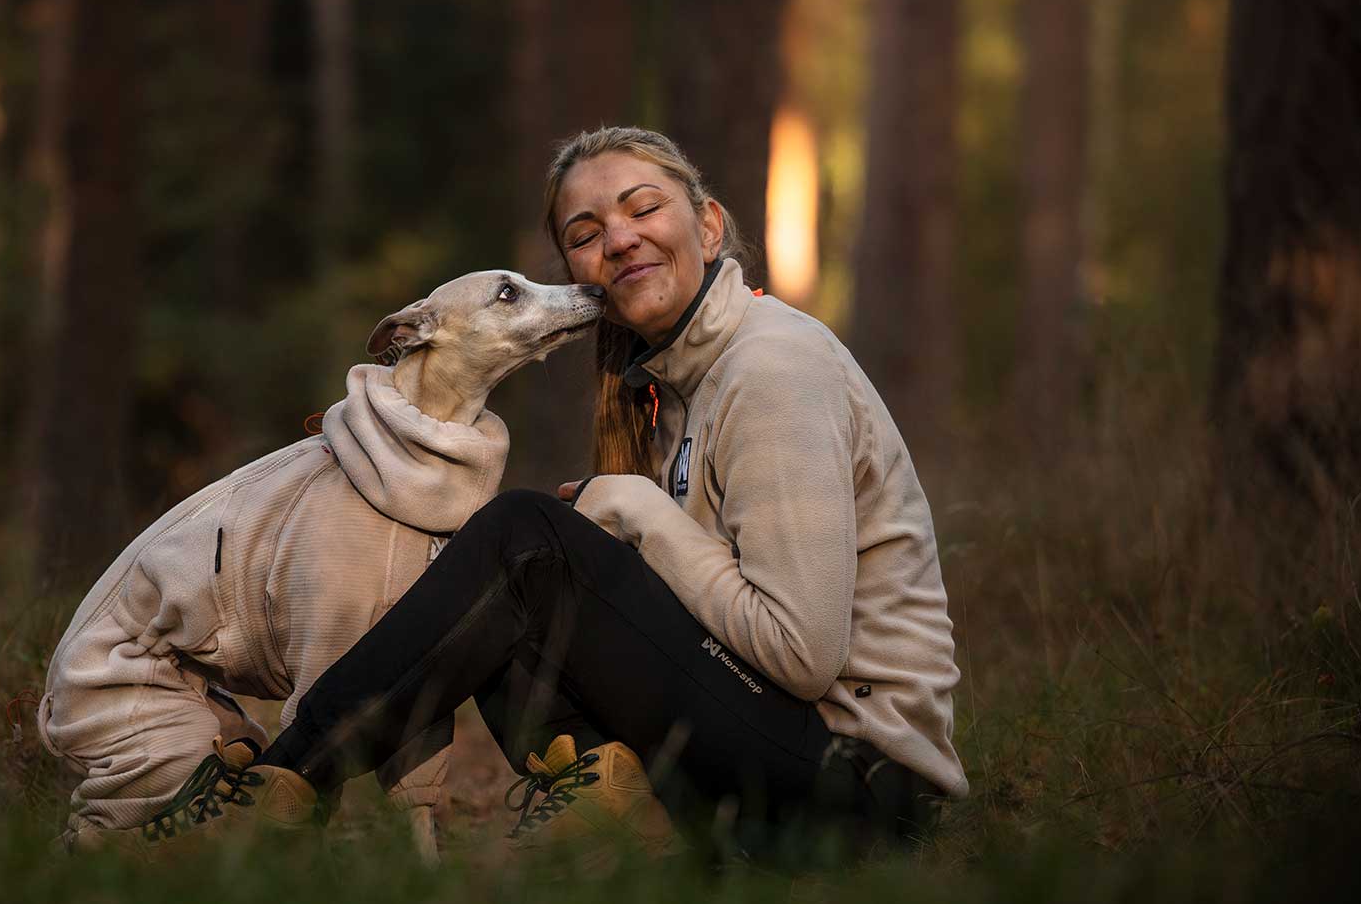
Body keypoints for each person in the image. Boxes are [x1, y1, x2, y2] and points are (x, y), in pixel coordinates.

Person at [168, 126, 966, 861]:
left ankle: (275, 787)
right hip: (772, 754)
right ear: (579, 274)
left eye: (642, 208)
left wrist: (635, 511)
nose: (618, 239)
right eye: (585, 235)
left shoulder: (772, 369)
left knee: (524, 533)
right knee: (515, 571)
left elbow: (800, 653)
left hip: (857, 787)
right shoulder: (671, 386)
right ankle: (602, 796)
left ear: (710, 227)